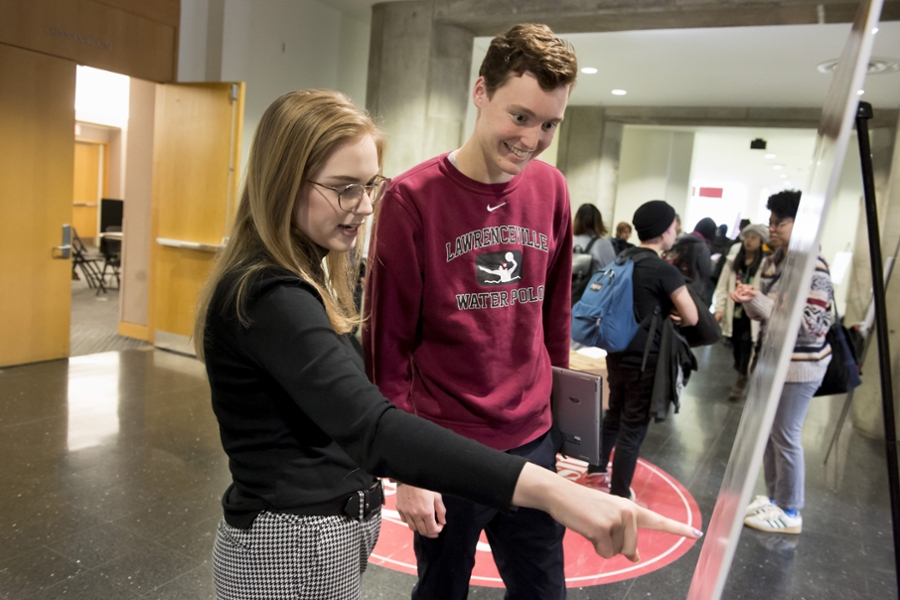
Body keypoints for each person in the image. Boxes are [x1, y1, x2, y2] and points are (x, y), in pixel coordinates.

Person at [193, 89, 699, 600]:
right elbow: (373, 424)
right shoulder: (272, 295)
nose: (365, 206)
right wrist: (549, 490)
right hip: (292, 550)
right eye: (345, 188)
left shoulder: (303, 276)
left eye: (369, 185)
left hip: (320, 540)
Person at [365, 23, 575, 600]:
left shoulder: (552, 190)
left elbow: (554, 319)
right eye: (521, 116)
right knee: (441, 592)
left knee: (543, 593)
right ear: (480, 92)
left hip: (532, 439)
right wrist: (407, 468)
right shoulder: (411, 200)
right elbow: (388, 348)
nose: (532, 138)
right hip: (446, 447)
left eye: (549, 123)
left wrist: (565, 432)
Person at [732, 190, 833, 534]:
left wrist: (761, 300)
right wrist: (750, 300)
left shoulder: (813, 265)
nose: (772, 228)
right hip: (773, 361)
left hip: (801, 365)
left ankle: (791, 510)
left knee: (786, 436)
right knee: (770, 434)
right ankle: (775, 499)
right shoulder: (774, 260)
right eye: (772, 222)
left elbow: (814, 325)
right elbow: (768, 316)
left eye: (781, 223)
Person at [584, 200, 699, 499]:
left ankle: (596, 471)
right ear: (664, 231)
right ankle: (621, 494)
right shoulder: (664, 270)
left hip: (616, 351)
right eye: (673, 225)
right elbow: (692, 316)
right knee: (633, 428)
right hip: (646, 360)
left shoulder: (622, 260)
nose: (675, 231)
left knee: (614, 415)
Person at [714, 224, 769, 400]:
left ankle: (741, 378)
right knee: (736, 346)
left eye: (754, 238)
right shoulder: (733, 261)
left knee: (746, 346)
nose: (749, 241)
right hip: (735, 311)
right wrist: (719, 308)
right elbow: (722, 286)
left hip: (751, 315)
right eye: (747, 237)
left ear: (761, 241)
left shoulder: (765, 264)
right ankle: (741, 370)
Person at [666, 216, 716, 305]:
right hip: (694, 289)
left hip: (675, 285)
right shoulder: (702, 246)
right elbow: (706, 271)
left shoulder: (681, 240)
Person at [573, 203, 616, 271]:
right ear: (598, 221)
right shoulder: (603, 244)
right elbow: (611, 270)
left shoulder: (568, 241)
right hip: (593, 281)